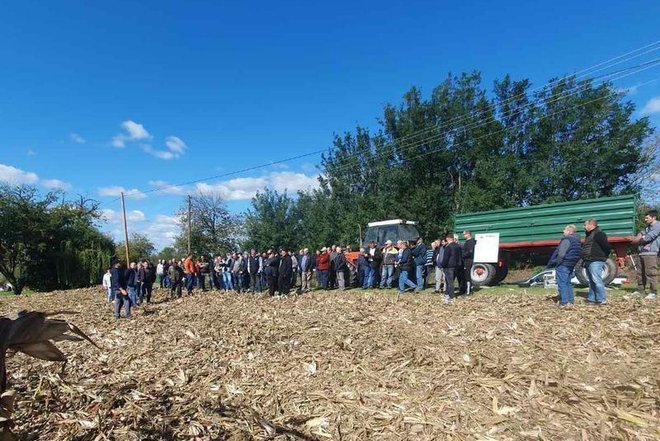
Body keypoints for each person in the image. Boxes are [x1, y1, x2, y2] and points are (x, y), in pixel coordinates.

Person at [547, 224, 582, 307]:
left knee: (562, 283)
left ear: (569, 231)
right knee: (568, 283)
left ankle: (564, 302)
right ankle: (570, 301)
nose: (563, 231)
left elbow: (561, 254)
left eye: (565, 230)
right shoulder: (577, 241)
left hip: (563, 264)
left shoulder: (567, 240)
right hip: (571, 264)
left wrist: (557, 263)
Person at [581, 219, 612, 305]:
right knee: (591, 281)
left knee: (596, 280)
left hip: (596, 260)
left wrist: (603, 256)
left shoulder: (599, 234)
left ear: (591, 225)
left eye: (585, 225)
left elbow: (607, 246)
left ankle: (601, 299)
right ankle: (592, 298)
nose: (584, 227)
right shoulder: (589, 235)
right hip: (588, 260)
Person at [631, 209, 659, 299]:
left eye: (647, 218)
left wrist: (641, 238)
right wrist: (640, 237)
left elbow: (648, 237)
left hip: (651, 253)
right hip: (642, 252)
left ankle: (653, 292)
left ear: (654, 217)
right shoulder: (647, 227)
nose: (645, 219)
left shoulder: (658, 226)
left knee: (651, 273)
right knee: (640, 273)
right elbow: (639, 235)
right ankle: (640, 290)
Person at [441, 235, 462, 303]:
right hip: (456, 266)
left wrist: (442, 265)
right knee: (449, 281)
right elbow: (459, 256)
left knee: (449, 282)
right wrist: (459, 264)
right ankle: (447, 294)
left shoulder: (448, 247)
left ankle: (451, 296)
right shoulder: (458, 246)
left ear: (448, 239)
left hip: (448, 266)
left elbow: (446, 258)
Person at [461, 231, 476, 295]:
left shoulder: (471, 242)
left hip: (468, 260)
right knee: (466, 274)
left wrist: (463, 255)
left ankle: (468, 291)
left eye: (464, 234)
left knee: (467, 275)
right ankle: (469, 288)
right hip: (465, 260)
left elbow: (470, 251)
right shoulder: (466, 242)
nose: (463, 235)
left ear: (468, 234)